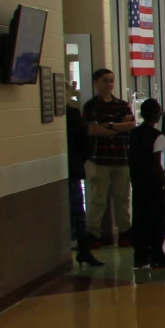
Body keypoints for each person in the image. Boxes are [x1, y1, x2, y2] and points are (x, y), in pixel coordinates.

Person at [83, 68, 136, 246]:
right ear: (96, 82)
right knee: (98, 199)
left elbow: (131, 125)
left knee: (122, 198)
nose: (109, 84)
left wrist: (110, 125)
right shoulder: (91, 106)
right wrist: (118, 126)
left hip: (121, 158)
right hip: (100, 159)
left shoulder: (121, 105)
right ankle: (93, 234)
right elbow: (94, 130)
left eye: (111, 81)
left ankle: (125, 232)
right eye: (105, 81)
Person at [128, 99, 165, 268]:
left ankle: (140, 256)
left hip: (138, 183)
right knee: (157, 219)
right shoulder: (158, 136)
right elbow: (157, 164)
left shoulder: (133, 134)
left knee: (140, 218)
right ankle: (156, 254)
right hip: (153, 184)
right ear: (156, 115)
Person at [66, 99, 98, 268]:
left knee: (76, 212)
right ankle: (83, 250)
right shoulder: (72, 114)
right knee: (77, 212)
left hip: (69, 168)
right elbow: (85, 142)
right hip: (72, 168)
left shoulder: (69, 115)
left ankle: (82, 249)